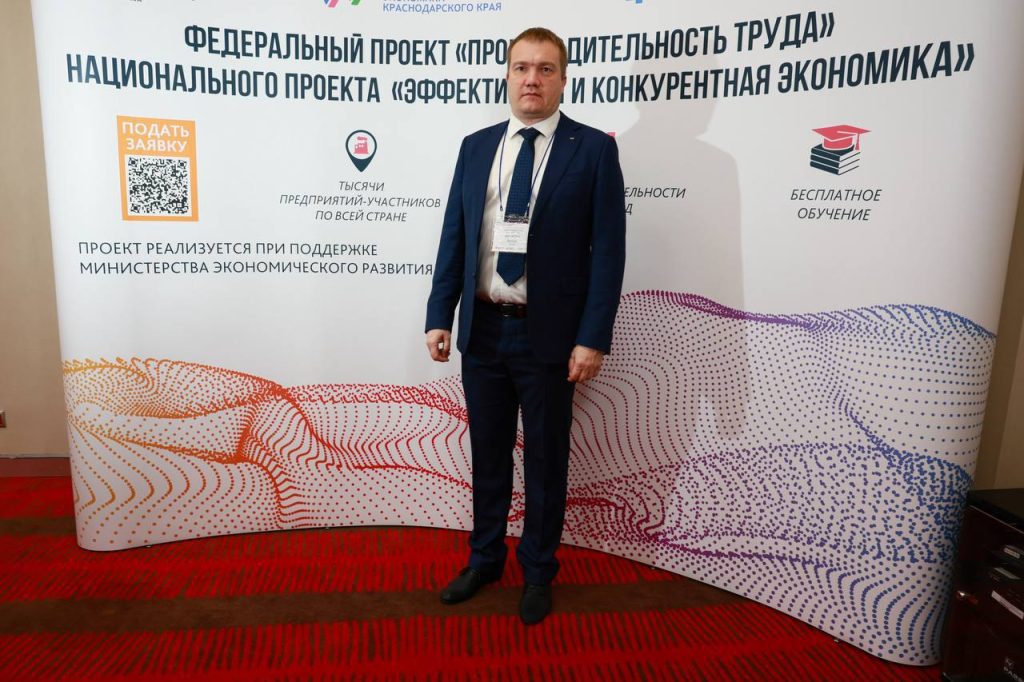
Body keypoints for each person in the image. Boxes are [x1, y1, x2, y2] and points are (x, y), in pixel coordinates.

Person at [424, 27, 626, 625]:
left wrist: (592, 336)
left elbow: (609, 252)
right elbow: (456, 235)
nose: (531, 79)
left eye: (544, 68)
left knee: (544, 461)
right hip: (483, 331)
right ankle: (484, 559)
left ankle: (537, 570)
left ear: (563, 79)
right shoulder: (476, 146)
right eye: (521, 68)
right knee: (487, 456)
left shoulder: (593, 150)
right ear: (507, 76)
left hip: (551, 338)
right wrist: (440, 313)